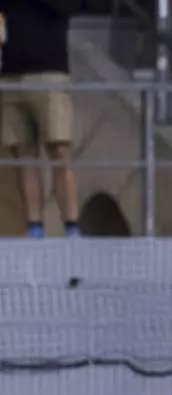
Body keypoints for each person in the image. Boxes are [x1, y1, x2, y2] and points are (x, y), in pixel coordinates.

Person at [0, 0, 82, 238]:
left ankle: (72, 226)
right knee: (23, 156)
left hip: (50, 71)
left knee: (60, 149)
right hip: (11, 74)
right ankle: (34, 227)